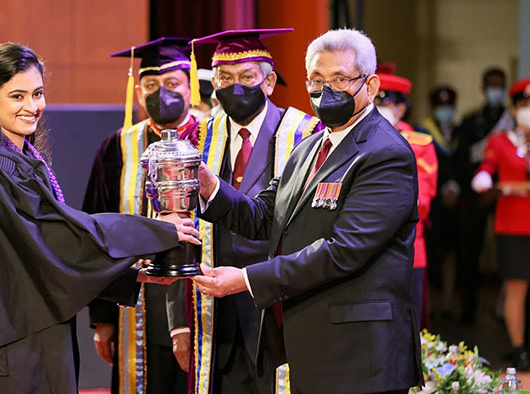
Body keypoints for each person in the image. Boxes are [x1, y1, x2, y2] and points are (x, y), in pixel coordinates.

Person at [0, 42, 199, 394]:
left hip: (28, 329)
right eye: (17, 96)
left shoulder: (18, 157)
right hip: (8, 345)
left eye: (38, 93)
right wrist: (154, 230)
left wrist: (133, 277)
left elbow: (44, 258)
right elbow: (53, 241)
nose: (32, 107)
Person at [178, 29, 423, 394]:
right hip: (313, 344)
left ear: (370, 86)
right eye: (317, 80)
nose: (327, 90)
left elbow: (343, 251)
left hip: (361, 354)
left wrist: (246, 279)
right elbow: (265, 217)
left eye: (341, 79)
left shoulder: (384, 153)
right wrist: (211, 187)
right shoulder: (310, 147)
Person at [167, 29, 323, 394]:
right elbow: (180, 226)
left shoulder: (306, 134)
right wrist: (179, 322)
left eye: (247, 77)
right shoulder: (197, 137)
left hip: (280, 306)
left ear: (269, 82)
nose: (234, 86)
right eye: (224, 78)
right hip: (213, 313)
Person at [82, 37, 198, 394]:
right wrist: (102, 318)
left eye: (173, 84)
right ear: (137, 93)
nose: (161, 93)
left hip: (201, 298)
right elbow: (95, 230)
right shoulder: (117, 147)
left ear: (191, 86)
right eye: (150, 86)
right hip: (136, 299)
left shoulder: (215, 137)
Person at [471, 78, 530, 371]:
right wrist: (485, 179)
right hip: (512, 225)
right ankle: (519, 348)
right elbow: (486, 170)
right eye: (524, 105)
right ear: (515, 108)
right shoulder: (500, 141)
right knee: (516, 287)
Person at [375, 72, 438, 328]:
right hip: (358, 246)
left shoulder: (419, 144)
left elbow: (421, 198)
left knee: (406, 321)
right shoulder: (354, 139)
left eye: (383, 104)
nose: (377, 110)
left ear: (400, 108)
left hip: (406, 242)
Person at [456, 67, 507, 324]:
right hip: (476, 195)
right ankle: (468, 312)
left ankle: (506, 311)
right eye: (491, 85)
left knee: (509, 255)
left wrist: (497, 188)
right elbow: (463, 160)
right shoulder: (471, 120)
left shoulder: (513, 121)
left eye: (500, 85)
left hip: (504, 195)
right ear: (483, 88)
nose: (495, 90)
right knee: (470, 253)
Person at [416, 86, 461, 316]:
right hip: (433, 204)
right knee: (432, 252)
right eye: (441, 106)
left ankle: (448, 300)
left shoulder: (460, 131)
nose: (446, 110)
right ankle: (430, 302)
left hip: (457, 204)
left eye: (449, 106)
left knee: (452, 251)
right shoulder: (422, 132)